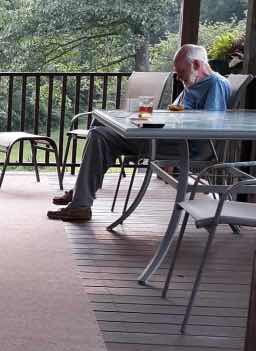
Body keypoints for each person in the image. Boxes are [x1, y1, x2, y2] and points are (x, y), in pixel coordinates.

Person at [46, 44, 231, 222]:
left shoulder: (215, 84)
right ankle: (82, 192)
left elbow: (210, 126)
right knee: (100, 122)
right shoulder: (194, 84)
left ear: (196, 65)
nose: (178, 78)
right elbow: (177, 114)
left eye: (181, 72)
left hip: (183, 146)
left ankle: (81, 204)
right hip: (166, 138)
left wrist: (166, 122)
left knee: (100, 136)